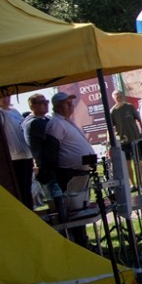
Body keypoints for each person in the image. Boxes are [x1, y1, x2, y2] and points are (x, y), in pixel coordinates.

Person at [44, 93, 96, 246]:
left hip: (80, 172)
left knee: (82, 209)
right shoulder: (56, 124)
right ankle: (80, 242)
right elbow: (51, 151)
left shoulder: (66, 122)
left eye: (71, 103)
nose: (71, 106)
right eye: (67, 103)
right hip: (70, 173)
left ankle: (83, 240)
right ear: (58, 106)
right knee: (75, 212)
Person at [0, 95, 33, 208]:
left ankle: (30, 210)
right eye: (1, 97)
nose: (6, 99)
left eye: (7, 96)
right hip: (15, 156)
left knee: (28, 187)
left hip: (26, 153)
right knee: (21, 188)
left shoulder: (15, 111)